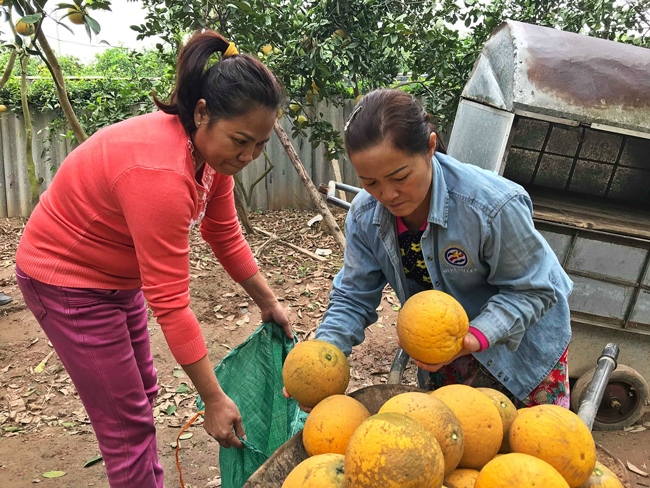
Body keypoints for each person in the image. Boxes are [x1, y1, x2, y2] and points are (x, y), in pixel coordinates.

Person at [15, 30, 290, 488]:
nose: (249, 155)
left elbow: (222, 232)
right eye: (241, 140)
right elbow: (170, 303)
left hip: (117, 277)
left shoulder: (211, 155)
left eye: (261, 145)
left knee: (142, 390)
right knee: (127, 425)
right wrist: (214, 399)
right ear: (202, 113)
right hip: (67, 281)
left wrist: (268, 301)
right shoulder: (160, 174)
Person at [305, 89, 573, 408]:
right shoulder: (365, 217)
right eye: (370, 183)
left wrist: (473, 337)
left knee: (528, 447)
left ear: (430, 147)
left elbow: (533, 291)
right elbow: (352, 297)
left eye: (399, 177)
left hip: (521, 351)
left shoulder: (490, 207)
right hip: (446, 349)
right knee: (459, 444)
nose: (388, 195)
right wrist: (321, 361)